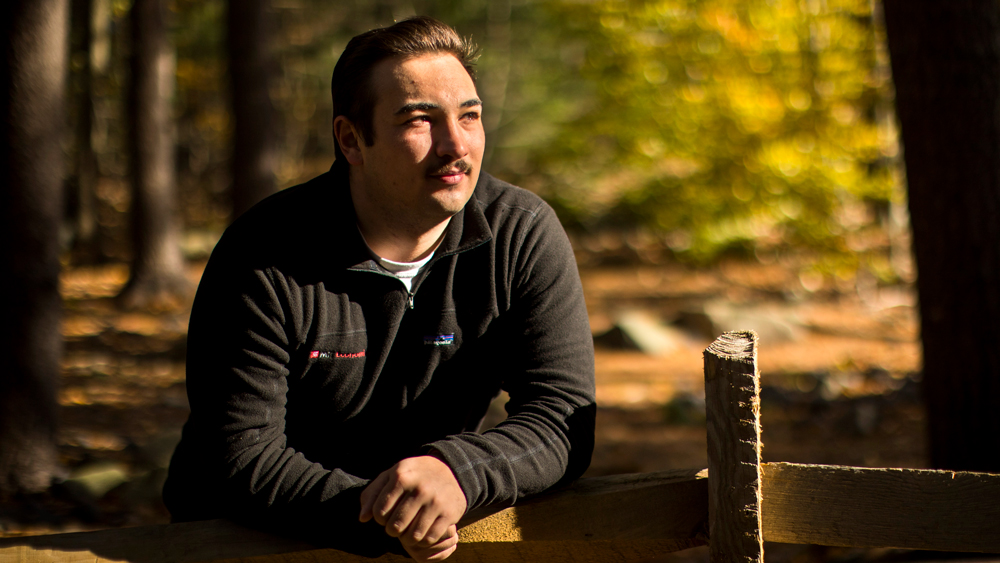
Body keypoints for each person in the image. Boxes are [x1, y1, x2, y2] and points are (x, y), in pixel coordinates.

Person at [163, 16, 595, 562]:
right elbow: (242, 453)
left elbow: (562, 416)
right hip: (250, 540)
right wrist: (393, 518)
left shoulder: (519, 233)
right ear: (351, 140)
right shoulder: (263, 255)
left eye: (470, 115)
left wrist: (458, 473)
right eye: (420, 121)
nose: (455, 145)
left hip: (425, 536)